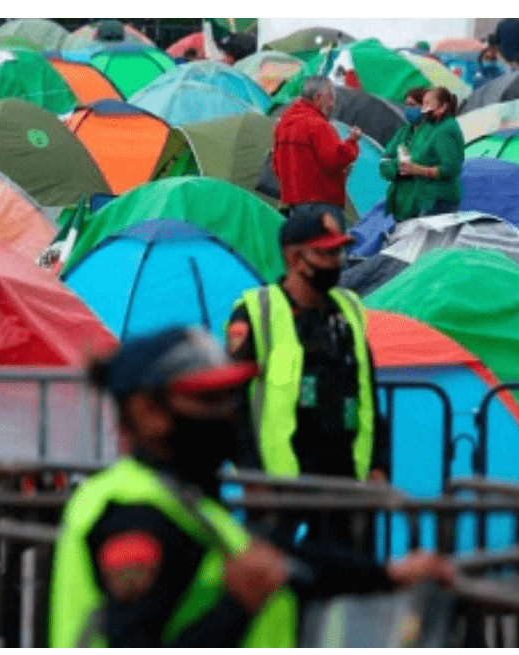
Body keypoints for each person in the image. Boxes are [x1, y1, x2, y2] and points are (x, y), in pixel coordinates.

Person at [49, 325, 455, 647]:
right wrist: (238, 605)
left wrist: (387, 575)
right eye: (208, 401)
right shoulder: (135, 513)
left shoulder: (183, 499)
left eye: (231, 398)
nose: (228, 415)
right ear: (148, 413)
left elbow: (284, 560)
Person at [226, 206, 390, 548]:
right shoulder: (258, 312)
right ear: (294, 258)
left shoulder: (349, 309)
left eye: (340, 251)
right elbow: (232, 404)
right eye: (326, 252)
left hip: (346, 478)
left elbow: (368, 394)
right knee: (287, 586)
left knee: (347, 583)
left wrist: (379, 465)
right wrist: (252, 478)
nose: (337, 261)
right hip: (283, 484)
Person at [272, 76, 362, 223]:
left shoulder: (283, 124)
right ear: (318, 97)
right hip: (322, 203)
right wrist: (352, 142)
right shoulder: (318, 125)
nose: (333, 104)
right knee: (329, 245)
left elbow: (276, 165)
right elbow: (334, 159)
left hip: (293, 203)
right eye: (331, 98)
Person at [379, 86, 465, 221]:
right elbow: (386, 161)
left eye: (426, 105)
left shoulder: (443, 130)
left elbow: (451, 167)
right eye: (423, 104)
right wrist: (401, 167)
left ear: (442, 107)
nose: (424, 109)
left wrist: (415, 169)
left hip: (436, 199)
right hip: (414, 200)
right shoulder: (406, 131)